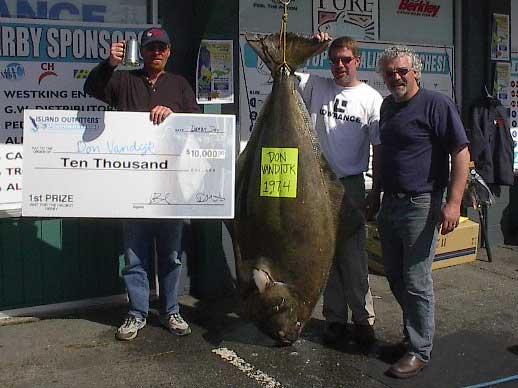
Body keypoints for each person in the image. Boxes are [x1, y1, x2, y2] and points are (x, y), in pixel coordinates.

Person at [84, 27, 200, 341]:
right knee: (134, 259)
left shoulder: (179, 85)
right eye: (150, 48)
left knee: (172, 257)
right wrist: (109, 64)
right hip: (132, 189)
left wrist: (174, 114)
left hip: (170, 188)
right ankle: (137, 313)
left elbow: (198, 124)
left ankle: (171, 311)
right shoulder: (122, 80)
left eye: (162, 48)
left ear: (169, 52)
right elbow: (91, 87)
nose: (156, 53)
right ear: (143, 52)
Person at [372, 46, 469, 378]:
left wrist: (453, 203)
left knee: (415, 280)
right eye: (390, 73)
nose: (396, 77)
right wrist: (375, 194)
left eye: (402, 71)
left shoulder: (437, 104)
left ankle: (419, 350)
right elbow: (382, 154)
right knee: (396, 277)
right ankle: (413, 334)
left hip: (421, 204)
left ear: (416, 72)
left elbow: (461, 154)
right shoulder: (386, 107)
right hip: (390, 203)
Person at [298, 33, 381, 345]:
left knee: (354, 255)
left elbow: (380, 148)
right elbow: (285, 71)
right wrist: (313, 47)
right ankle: (334, 318)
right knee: (327, 255)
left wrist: (376, 191)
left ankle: (363, 319)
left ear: (357, 61)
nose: (340, 66)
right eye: (333, 60)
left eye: (346, 60)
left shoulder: (372, 99)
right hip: (317, 181)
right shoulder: (316, 86)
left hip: (351, 186)